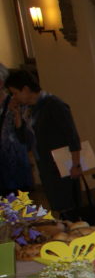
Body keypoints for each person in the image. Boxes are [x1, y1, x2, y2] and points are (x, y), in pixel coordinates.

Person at [4, 69, 82, 212]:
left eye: (15, 93)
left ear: (26, 89)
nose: (14, 97)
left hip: (62, 164)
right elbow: (23, 140)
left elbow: (71, 134)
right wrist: (16, 114)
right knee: (58, 205)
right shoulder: (28, 109)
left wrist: (76, 163)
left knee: (70, 206)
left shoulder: (53, 104)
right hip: (45, 164)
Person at [0, 64, 33, 193]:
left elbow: (27, 139)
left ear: (1, 83)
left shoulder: (18, 104)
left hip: (15, 172)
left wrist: (16, 114)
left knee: (17, 211)